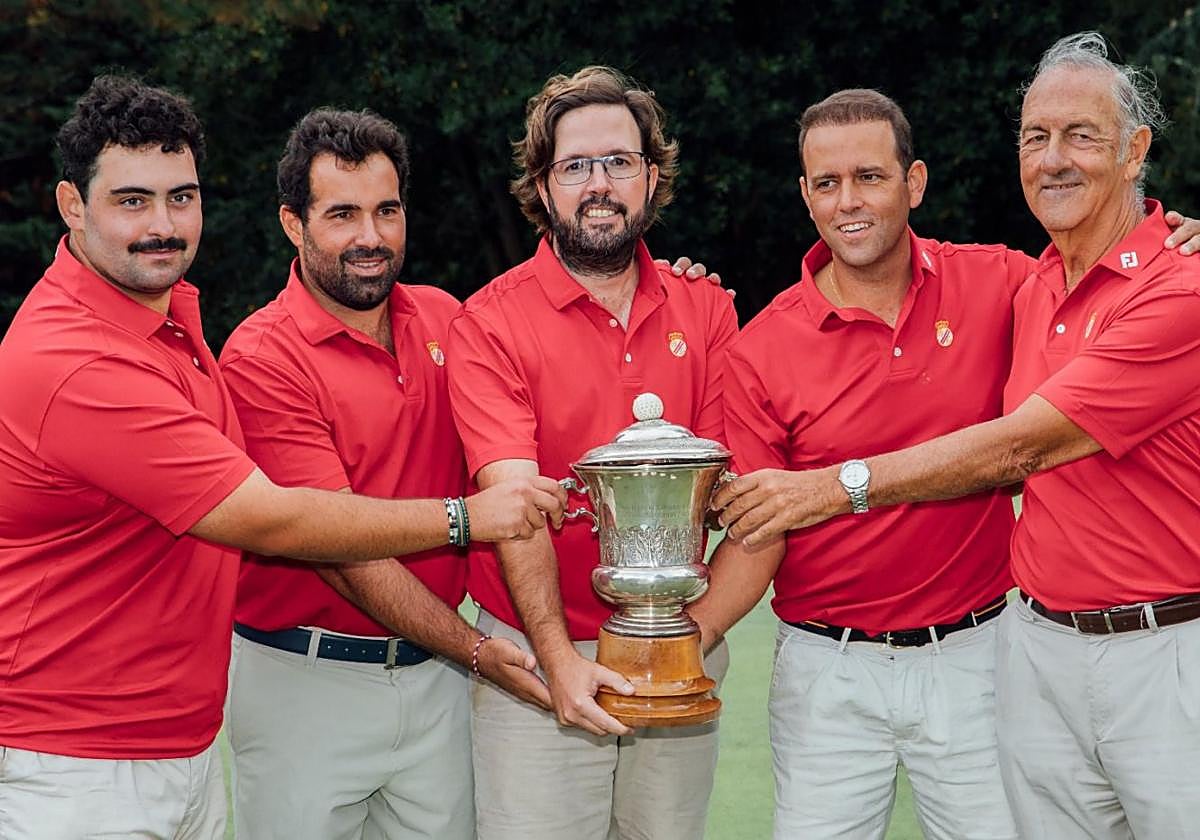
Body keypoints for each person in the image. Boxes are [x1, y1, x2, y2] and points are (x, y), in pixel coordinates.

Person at [0, 75, 565, 840]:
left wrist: (659, 282)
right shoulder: (77, 359)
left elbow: (530, 345)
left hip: (174, 739)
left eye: (181, 197)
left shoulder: (166, 322)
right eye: (131, 200)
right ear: (73, 206)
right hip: (80, 756)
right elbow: (274, 521)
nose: (162, 225)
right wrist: (466, 522)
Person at [713, 32, 1200, 840]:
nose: (850, 201)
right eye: (1036, 138)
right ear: (804, 194)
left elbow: (1021, 447)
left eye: (1082, 136)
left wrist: (836, 484)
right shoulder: (1036, 284)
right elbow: (759, 528)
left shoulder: (1027, 282)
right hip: (989, 654)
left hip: (1115, 648)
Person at [445, 66, 738, 840]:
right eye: (575, 166)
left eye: (618, 162)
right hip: (537, 657)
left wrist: (692, 636)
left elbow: (727, 493)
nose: (598, 184)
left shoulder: (707, 309)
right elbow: (515, 510)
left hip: (673, 638)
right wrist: (557, 659)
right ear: (542, 186)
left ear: (651, 176)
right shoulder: (488, 323)